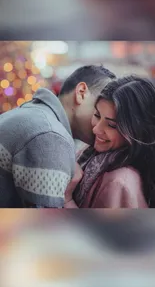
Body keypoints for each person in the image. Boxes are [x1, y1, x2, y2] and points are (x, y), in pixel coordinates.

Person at [0, 65, 115, 208]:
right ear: (81, 92)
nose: (100, 127)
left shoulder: (36, 114)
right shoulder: (50, 135)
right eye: (98, 112)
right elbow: (48, 227)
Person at [65, 75, 155, 208]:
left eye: (112, 125)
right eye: (97, 115)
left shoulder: (119, 182)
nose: (96, 129)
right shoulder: (92, 154)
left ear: (138, 131)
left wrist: (66, 198)